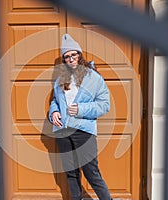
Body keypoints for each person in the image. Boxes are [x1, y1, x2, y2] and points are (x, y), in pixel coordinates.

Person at [49, 33, 112, 200]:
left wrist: (81, 109)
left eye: (73, 54)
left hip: (83, 130)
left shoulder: (93, 77)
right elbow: (56, 100)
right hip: (62, 130)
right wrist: (53, 112)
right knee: (71, 172)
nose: (71, 59)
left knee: (91, 172)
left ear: (80, 54)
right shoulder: (60, 79)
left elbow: (105, 105)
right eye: (67, 56)